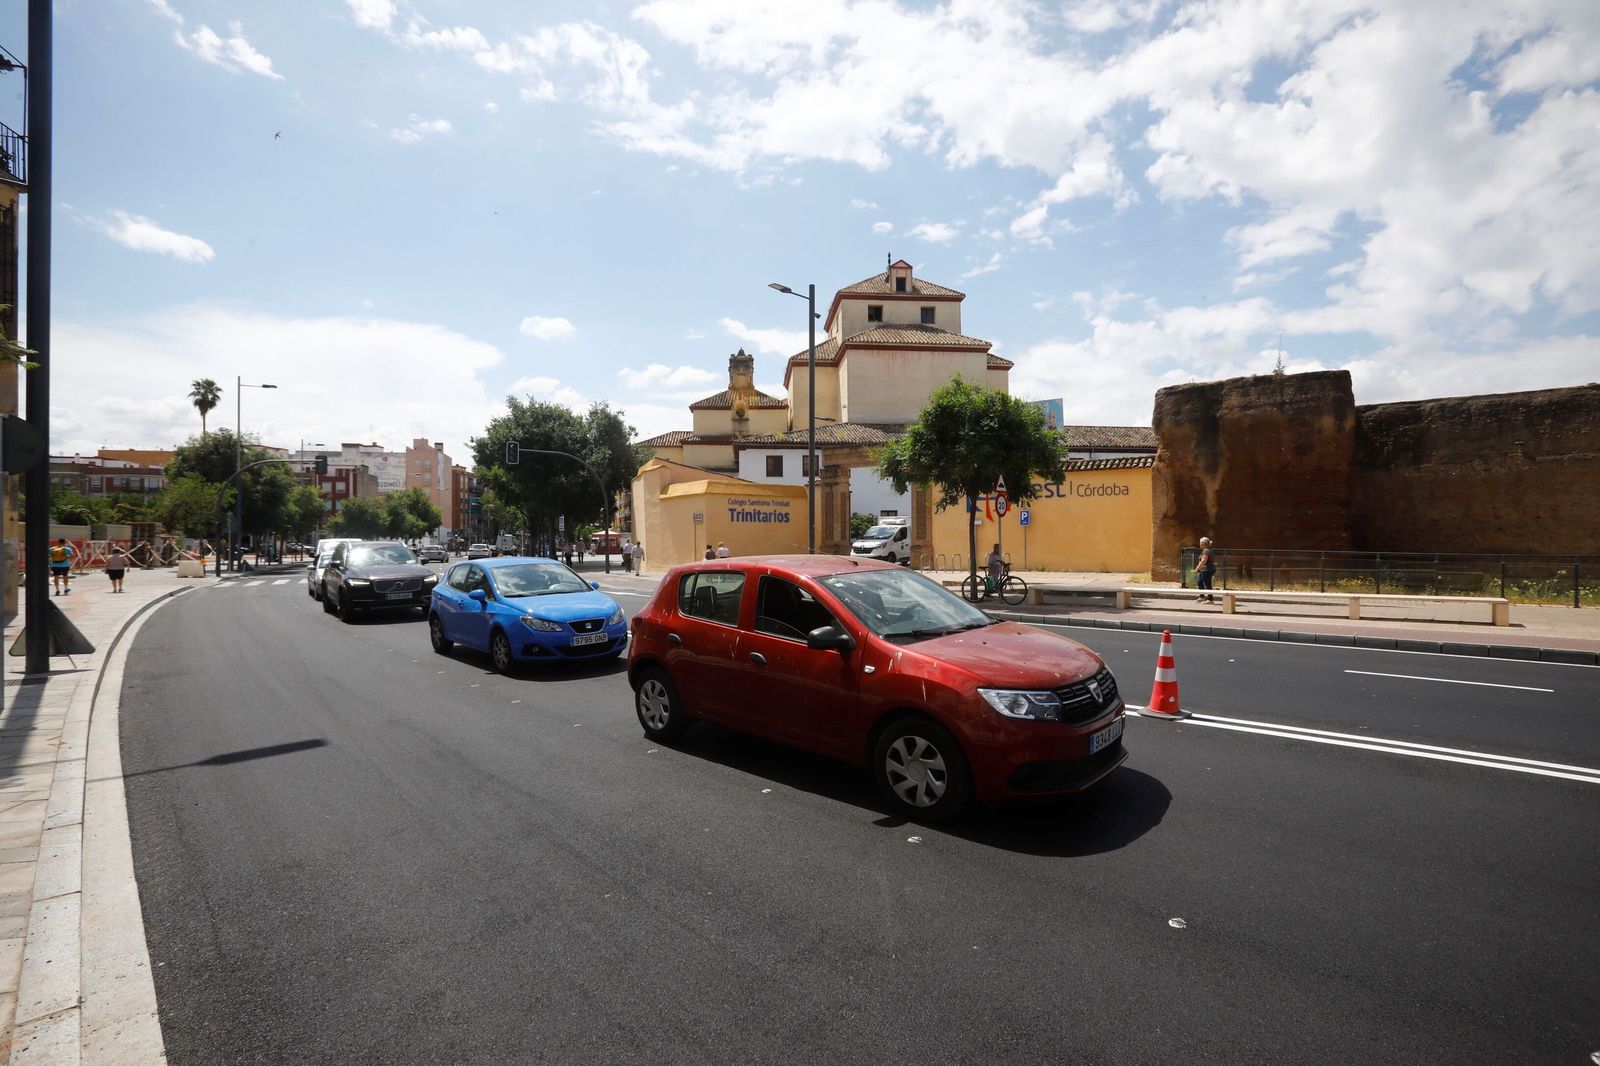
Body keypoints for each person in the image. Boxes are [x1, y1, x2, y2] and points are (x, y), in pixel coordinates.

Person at [1196, 536, 1217, 604]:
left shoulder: (1206, 551)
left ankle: (1210, 599)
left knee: (1207, 584)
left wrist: (1197, 568)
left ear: (1203, 544)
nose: (1199, 544)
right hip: (1204, 570)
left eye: (1200, 543)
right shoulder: (1205, 550)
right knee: (1200, 582)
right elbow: (1201, 561)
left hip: (1207, 570)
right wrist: (1199, 569)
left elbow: (1203, 561)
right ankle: (1202, 597)